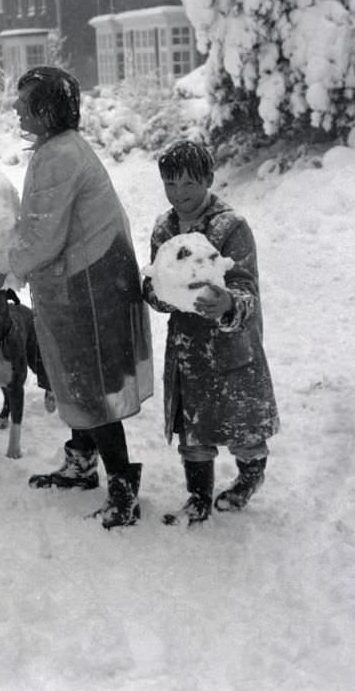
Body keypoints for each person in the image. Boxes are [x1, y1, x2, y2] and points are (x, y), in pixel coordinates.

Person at [0, 66, 153, 529]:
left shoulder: (58, 155)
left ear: (47, 108)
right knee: (72, 372)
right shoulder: (57, 148)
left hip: (90, 282)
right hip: (79, 276)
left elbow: (44, 238)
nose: (15, 108)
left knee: (88, 378)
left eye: (24, 101)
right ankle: (81, 461)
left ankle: (122, 488)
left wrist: (2, 266)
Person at [143, 140, 279, 526]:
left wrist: (228, 303)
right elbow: (155, 280)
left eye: (189, 184)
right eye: (170, 184)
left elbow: (246, 288)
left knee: (241, 423)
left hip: (229, 344)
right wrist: (158, 295)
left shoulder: (230, 227)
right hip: (187, 345)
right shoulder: (165, 228)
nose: (179, 194)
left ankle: (250, 476)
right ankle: (198, 494)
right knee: (192, 426)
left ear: (208, 179)